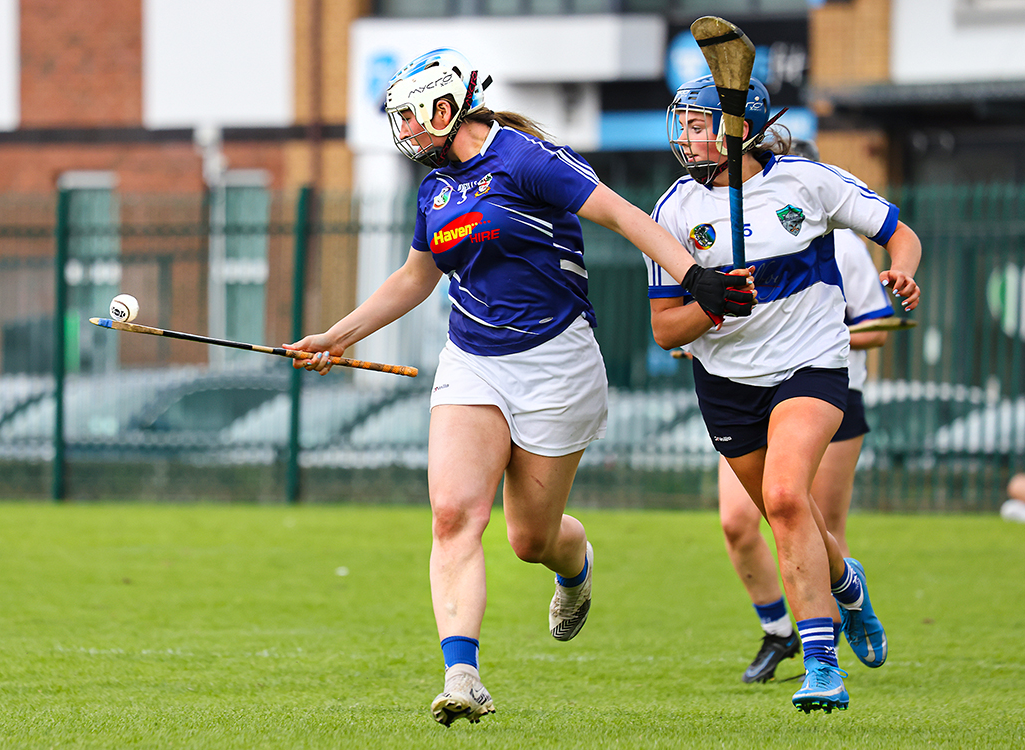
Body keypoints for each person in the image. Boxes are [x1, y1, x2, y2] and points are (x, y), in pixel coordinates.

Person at [285, 49, 755, 727]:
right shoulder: (435, 191)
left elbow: (624, 215)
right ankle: (462, 673)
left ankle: (576, 564)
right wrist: (339, 335)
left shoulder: (527, 158)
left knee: (530, 540)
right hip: (473, 359)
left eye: (412, 121)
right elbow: (417, 278)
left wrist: (694, 277)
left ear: (445, 109)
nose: (407, 135)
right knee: (452, 515)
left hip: (557, 364)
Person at [645, 75, 921, 713]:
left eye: (697, 123)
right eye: (682, 123)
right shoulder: (674, 211)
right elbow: (665, 330)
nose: (686, 137)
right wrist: (715, 305)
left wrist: (902, 270)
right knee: (782, 516)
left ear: (738, 129)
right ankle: (847, 584)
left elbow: (897, 232)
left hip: (811, 367)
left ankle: (822, 666)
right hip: (726, 384)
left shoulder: (808, 182)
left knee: (785, 496)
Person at [715, 138, 897, 685]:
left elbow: (878, 324)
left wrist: (814, 334)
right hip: (752, 392)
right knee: (740, 522)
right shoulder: (720, 228)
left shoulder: (841, 244)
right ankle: (780, 630)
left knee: (815, 518)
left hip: (828, 392)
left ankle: (824, 645)